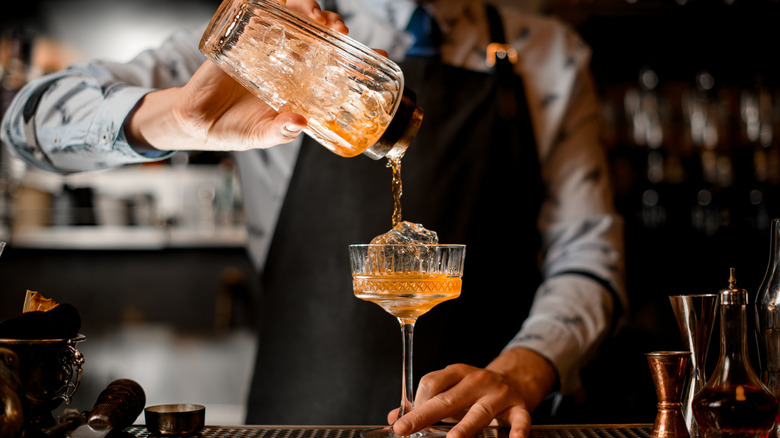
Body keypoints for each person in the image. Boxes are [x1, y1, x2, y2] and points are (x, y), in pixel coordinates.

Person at [1, 1, 627, 438]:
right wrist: (177, 118)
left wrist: (524, 370)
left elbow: (589, 259)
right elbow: (26, 123)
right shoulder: (266, 39)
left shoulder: (549, 56)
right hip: (296, 418)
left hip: (490, 429)